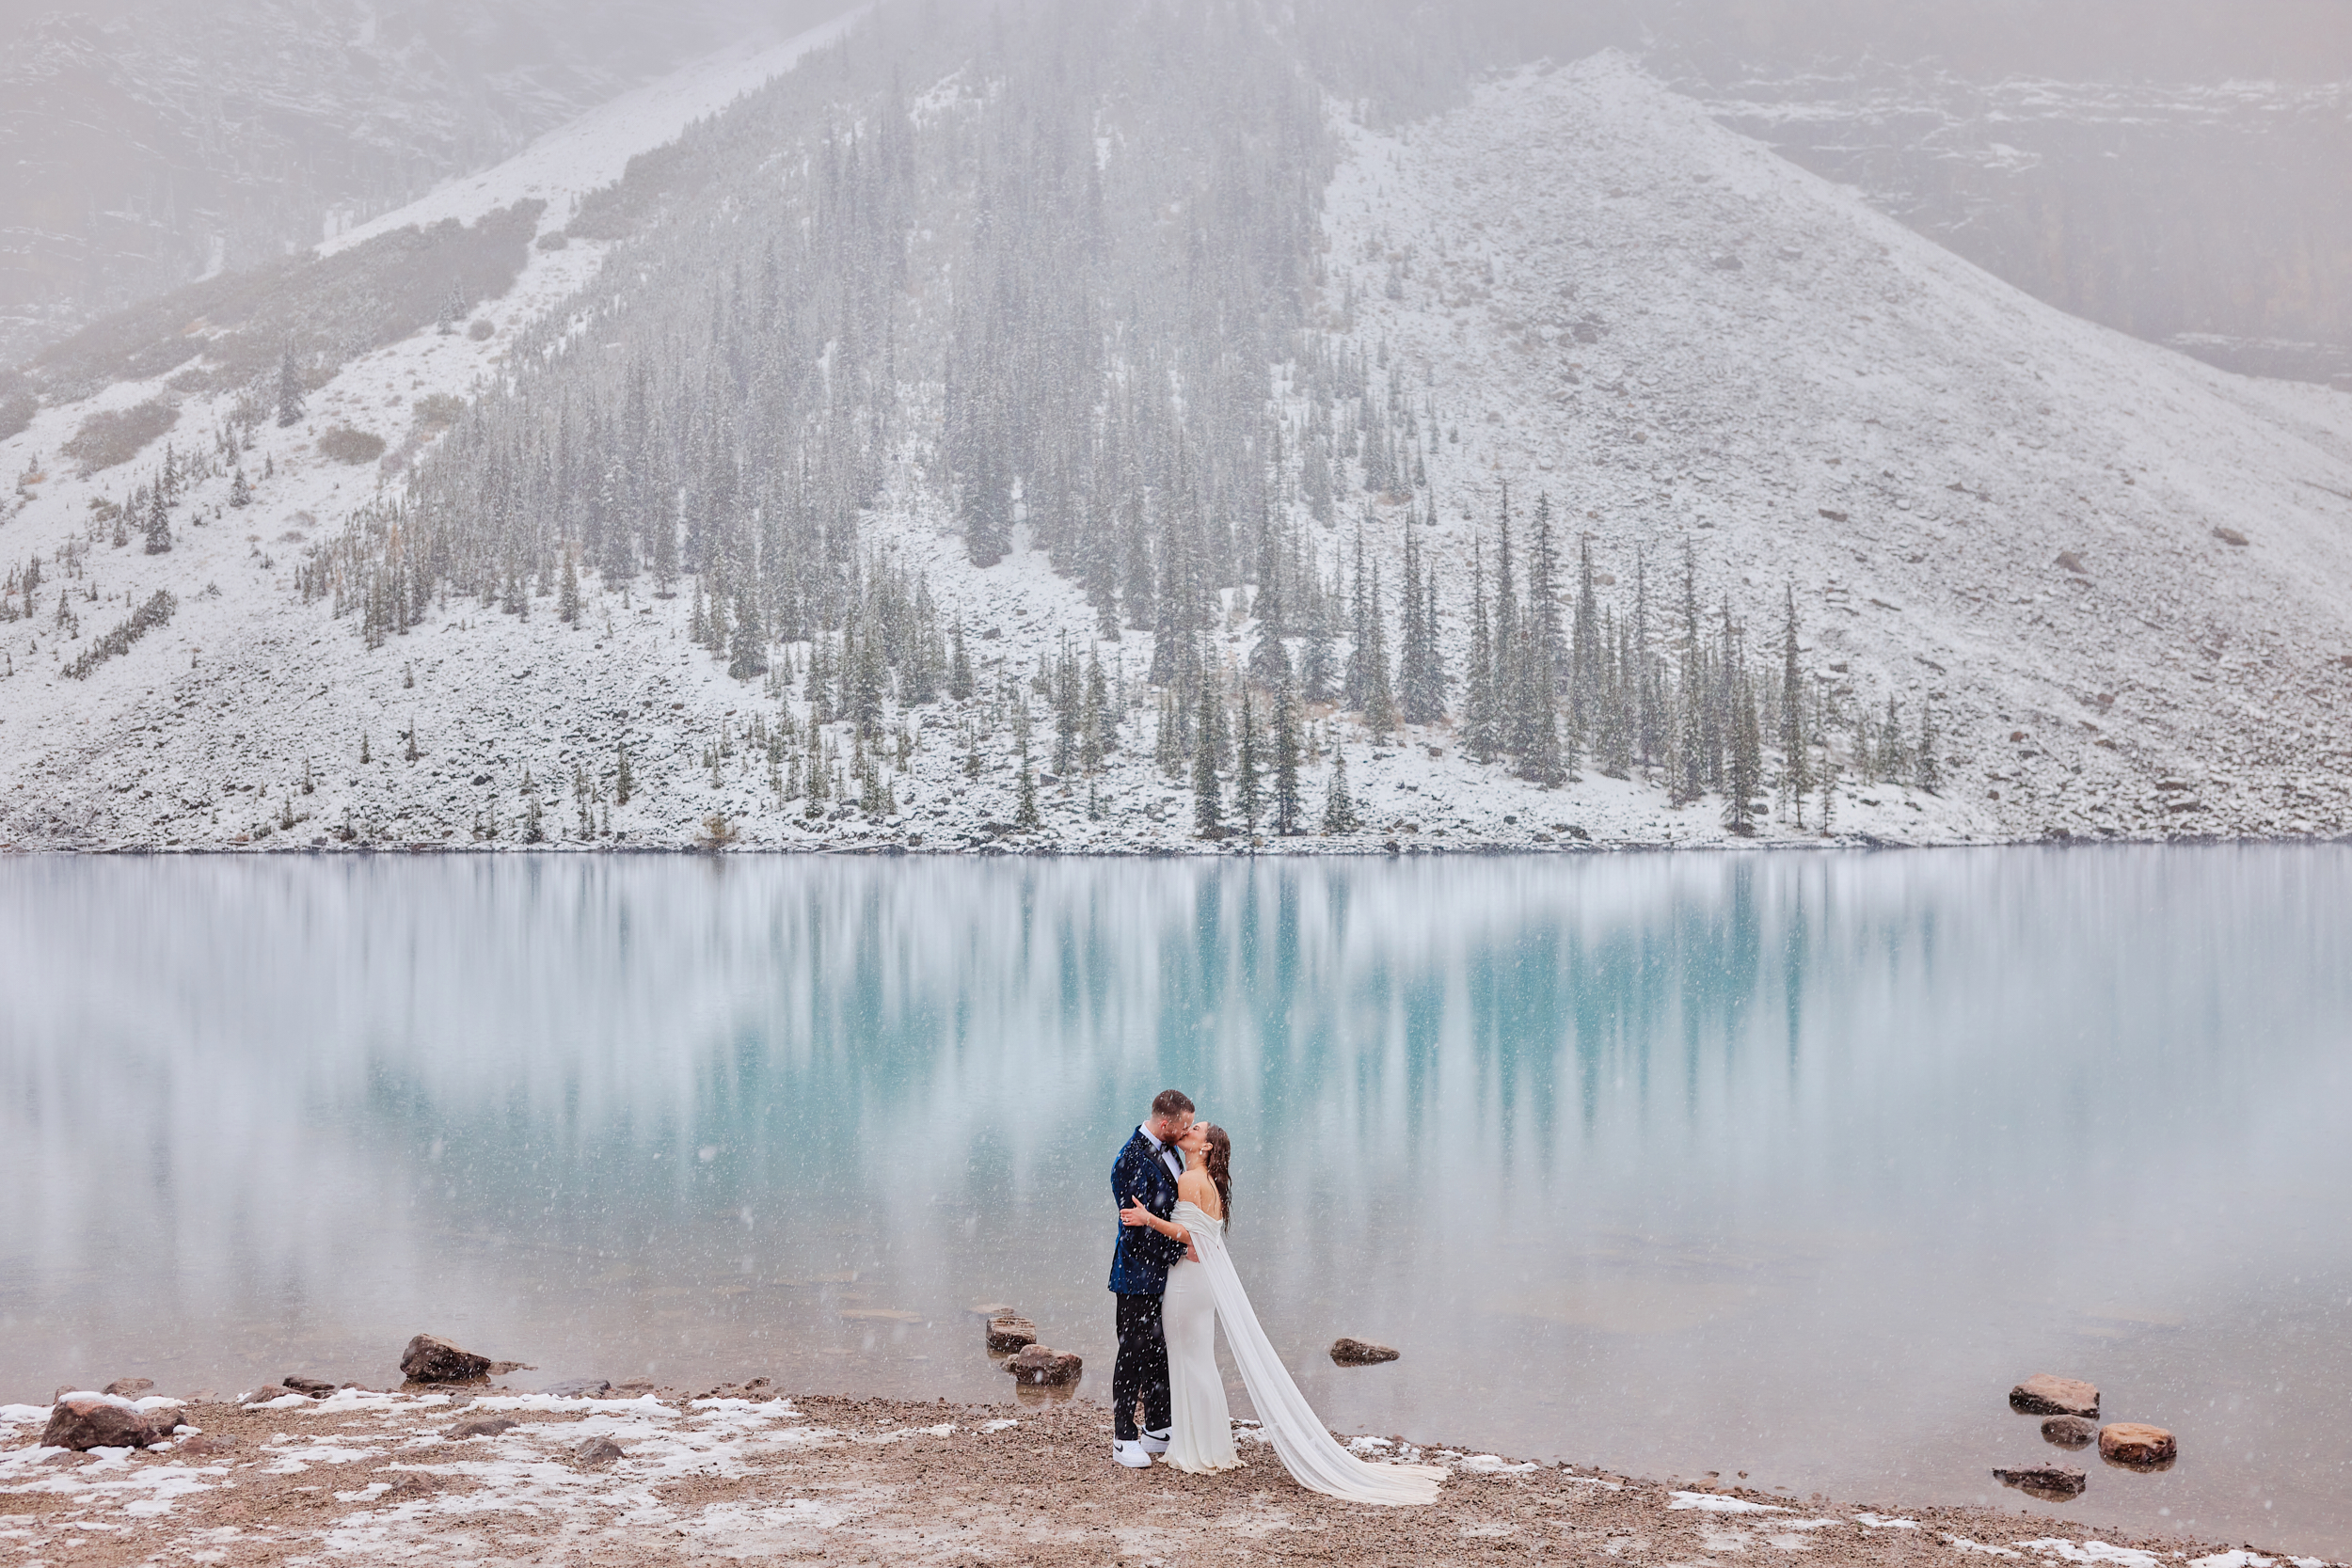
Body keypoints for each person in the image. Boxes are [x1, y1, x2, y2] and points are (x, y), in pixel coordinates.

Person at [1122, 1124, 1445, 1505]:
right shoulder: (1210, 1180)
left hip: (1187, 1282)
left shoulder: (1193, 1179)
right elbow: (1204, 1237)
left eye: (1196, 1129)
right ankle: (1208, 1443)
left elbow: (1190, 1237)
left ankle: (1198, 1448)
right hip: (1200, 1280)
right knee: (1198, 1359)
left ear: (1205, 1146)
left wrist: (1149, 1220)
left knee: (1187, 1358)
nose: (1189, 1130)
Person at [1106, 1088, 1193, 1467]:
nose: (1187, 1133)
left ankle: (1158, 1427)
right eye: (1183, 1126)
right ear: (1164, 1124)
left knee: (1160, 1351)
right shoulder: (1130, 1160)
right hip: (1136, 1276)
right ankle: (1123, 1437)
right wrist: (1180, 1251)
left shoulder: (1170, 1150)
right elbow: (1136, 1232)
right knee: (1132, 1353)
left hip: (1164, 1275)